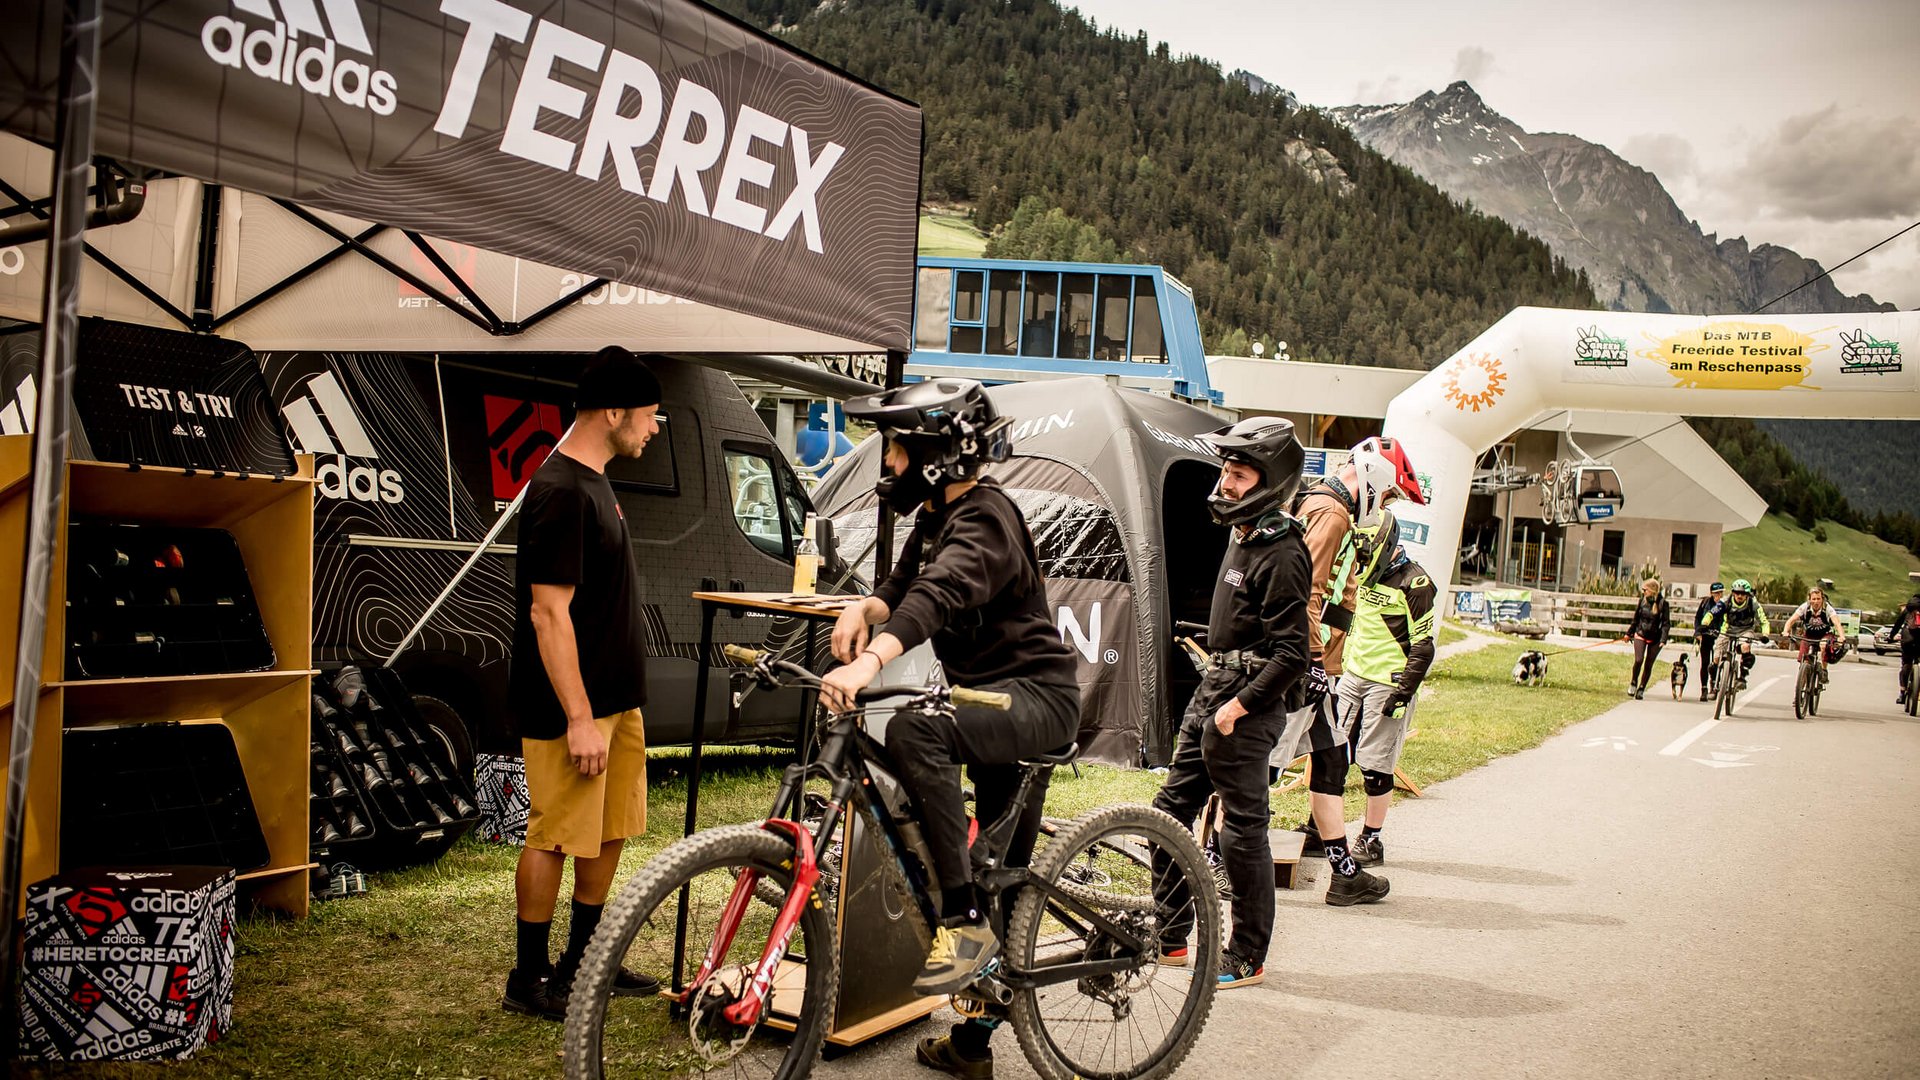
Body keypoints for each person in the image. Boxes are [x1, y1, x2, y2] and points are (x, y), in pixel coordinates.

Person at [820, 379, 1080, 1079]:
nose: (889, 466)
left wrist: (873, 659)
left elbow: (938, 596)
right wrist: (864, 610)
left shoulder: (987, 520)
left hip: (1034, 699)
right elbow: (904, 586)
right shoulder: (937, 514)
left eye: (896, 450)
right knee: (999, 872)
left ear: (936, 455)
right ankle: (971, 1048)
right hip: (987, 699)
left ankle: (960, 919)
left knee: (912, 730)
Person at [503, 347, 663, 1020]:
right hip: (574, 706)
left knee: (608, 831)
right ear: (615, 411)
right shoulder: (561, 489)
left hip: (615, 701)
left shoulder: (595, 480)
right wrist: (577, 716)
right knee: (556, 834)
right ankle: (531, 978)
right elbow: (548, 613)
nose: (653, 430)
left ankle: (584, 963)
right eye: (650, 417)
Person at [1150, 416, 1312, 988]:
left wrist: (1237, 707)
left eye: (1238, 474)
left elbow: (1294, 653)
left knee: (1241, 832)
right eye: (1226, 470)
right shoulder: (1242, 534)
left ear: (1270, 481)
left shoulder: (1285, 552)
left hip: (1244, 706)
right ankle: (1167, 934)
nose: (1226, 483)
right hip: (1212, 690)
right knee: (1168, 811)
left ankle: (1248, 954)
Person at [1278, 437, 1427, 854]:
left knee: (1329, 757)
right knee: (1270, 760)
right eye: (1390, 494)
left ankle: (1339, 866)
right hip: (1309, 659)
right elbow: (1306, 591)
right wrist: (1310, 662)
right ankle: (1221, 850)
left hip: (1327, 660)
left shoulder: (1332, 508)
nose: (1386, 504)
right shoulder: (1333, 513)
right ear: (1374, 477)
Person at [1316, 507, 1433, 893]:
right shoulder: (1363, 575)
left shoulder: (1415, 583)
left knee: (1374, 767)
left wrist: (1404, 691)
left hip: (1388, 682)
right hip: (1353, 676)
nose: (1362, 560)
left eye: (1367, 553)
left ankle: (1371, 837)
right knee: (1331, 754)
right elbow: (1352, 618)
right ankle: (1324, 831)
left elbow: (1424, 645)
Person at [1782, 586, 1843, 689]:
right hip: (1809, 634)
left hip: (1825, 634)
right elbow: (1791, 620)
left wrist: (1842, 637)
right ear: (1809, 599)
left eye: (1818, 599)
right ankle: (1799, 693)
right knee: (1803, 661)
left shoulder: (1827, 608)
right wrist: (1785, 631)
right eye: (1813, 599)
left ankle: (1823, 670)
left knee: (1823, 645)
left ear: (1822, 598)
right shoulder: (1804, 607)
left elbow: (1837, 623)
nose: (1816, 601)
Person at [1716, 579, 1771, 691]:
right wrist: (1704, 625)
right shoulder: (1725, 601)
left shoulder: (1753, 603)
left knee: (1745, 647)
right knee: (1716, 658)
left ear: (1747, 594)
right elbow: (1711, 613)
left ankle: (1742, 677)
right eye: (1737, 593)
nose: (1739, 596)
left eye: (1743, 594)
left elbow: (1763, 621)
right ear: (1733, 593)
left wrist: (1765, 634)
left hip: (1745, 630)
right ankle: (1713, 683)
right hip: (1727, 630)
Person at [1626, 577, 1672, 700]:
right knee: (1639, 660)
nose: (1643, 592)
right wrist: (1628, 633)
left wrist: (1663, 639)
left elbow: (1666, 623)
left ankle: (1641, 688)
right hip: (1640, 633)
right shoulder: (1642, 601)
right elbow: (1636, 619)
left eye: (1645, 590)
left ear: (1652, 590)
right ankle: (1633, 682)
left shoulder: (1663, 604)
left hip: (1655, 638)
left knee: (1648, 664)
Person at [1693, 582, 1727, 701]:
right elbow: (1698, 618)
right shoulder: (1705, 603)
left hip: (1720, 634)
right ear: (1711, 593)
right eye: (1716, 593)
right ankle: (1704, 689)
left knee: (1716, 661)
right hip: (1706, 634)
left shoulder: (1725, 605)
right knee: (1705, 662)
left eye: (1720, 593)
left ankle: (1715, 684)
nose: (1718, 595)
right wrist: (1698, 632)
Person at [1890, 591, 1920, 705]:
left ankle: (1902, 693)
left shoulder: (1908, 609)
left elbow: (1897, 624)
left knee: (1906, 664)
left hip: (1908, 639)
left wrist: (1891, 637)